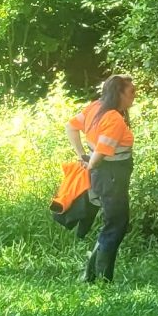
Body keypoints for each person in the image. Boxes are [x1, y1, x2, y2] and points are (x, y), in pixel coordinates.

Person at [82, 74, 136, 283]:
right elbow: (101, 152)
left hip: (107, 175)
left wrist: (82, 155)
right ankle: (102, 278)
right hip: (111, 175)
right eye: (131, 92)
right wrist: (89, 164)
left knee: (112, 223)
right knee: (116, 224)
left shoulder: (95, 107)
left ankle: (91, 273)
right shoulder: (113, 117)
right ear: (119, 93)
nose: (134, 96)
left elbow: (71, 126)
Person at [51, 92, 98, 240]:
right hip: (101, 165)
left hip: (97, 163)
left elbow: (70, 126)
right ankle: (83, 239)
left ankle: (81, 238)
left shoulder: (95, 107)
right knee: (93, 201)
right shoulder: (99, 109)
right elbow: (70, 126)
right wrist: (84, 157)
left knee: (92, 200)